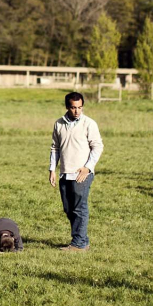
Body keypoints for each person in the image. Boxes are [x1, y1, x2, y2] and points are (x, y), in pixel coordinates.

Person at [49, 92, 103, 251]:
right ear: (67, 107)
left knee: (80, 208)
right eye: (73, 107)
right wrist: (52, 169)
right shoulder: (59, 124)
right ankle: (82, 240)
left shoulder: (89, 123)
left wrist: (88, 167)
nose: (77, 111)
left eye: (80, 107)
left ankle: (78, 243)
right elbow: (55, 148)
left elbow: (98, 146)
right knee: (68, 208)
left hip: (82, 174)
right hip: (65, 173)